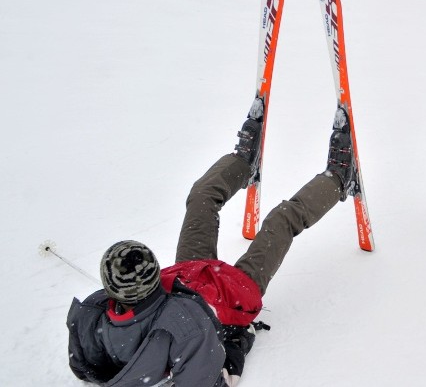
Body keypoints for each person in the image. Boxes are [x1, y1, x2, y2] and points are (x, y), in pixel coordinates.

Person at [66, 99, 356, 386]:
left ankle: (242, 162)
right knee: (282, 220)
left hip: (187, 276)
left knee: (202, 197)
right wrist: (237, 342)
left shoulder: (95, 322)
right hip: (233, 294)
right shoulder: (184, 331)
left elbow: (84, 366)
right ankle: (339, 178)